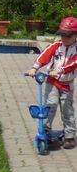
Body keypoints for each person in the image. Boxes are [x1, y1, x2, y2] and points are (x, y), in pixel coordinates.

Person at [27, 16, 77, 149]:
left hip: (67, 83)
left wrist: (60, 70)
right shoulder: (56, 46)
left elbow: (73, 64)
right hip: (52, 82)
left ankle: (69, 135)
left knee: (67, 110)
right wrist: (35, 67)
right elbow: (44, 55)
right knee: (50, 105)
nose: (64, 38)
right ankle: (46, 129)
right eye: (62, 35)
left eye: (68, 36)